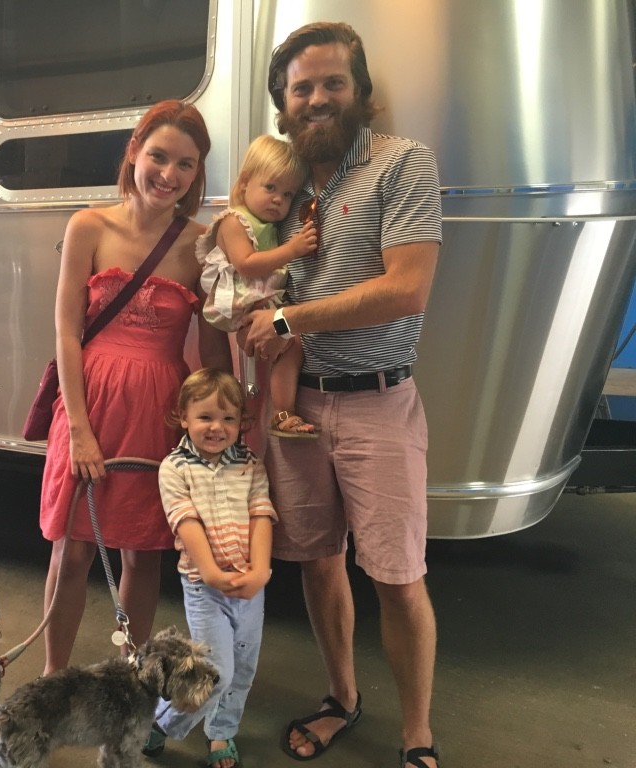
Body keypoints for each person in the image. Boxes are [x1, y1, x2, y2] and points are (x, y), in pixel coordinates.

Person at [240, 22, 443, 768]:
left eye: (333, 83)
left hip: (377, 403)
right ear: (283, 102)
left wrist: (287, 319)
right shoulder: (284, 184)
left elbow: (406, 288)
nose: (318, 98)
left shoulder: (402, 164)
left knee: (398, 577)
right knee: (318, 561)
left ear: (361, 91)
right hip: (294, 406)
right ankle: (341, 698)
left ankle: (417, 734)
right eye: (302, 88)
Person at [39, 100, 231, 676]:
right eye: (159, 157)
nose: (169, 175)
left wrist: (227, 427)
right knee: (73, 548)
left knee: (144, 553)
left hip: (159, 412)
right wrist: (79, 429)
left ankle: (130, 680)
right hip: (89, 403)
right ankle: (53, 676)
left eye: (186, 164)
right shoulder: (88, 226)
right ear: (133, 152)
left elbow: (214, 350)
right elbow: (66, 331)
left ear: (197, 173)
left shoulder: (201, 244)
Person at [143, 368, 276, 768]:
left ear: (241, 422)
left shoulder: (251, 464)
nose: (217, 427)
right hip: (206, 587)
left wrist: (261, 572)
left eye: (228, 418)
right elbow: (186, 522)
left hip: (251, 587)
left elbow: (262, 515)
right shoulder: (174, 468)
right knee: (215, 672)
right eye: (205, 417)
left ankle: (222, 733)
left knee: (243, 669)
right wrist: (213, 574)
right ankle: (162, 722)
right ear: (183, 417)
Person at [196, 134, 318, 438]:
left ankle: (278, 412)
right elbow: (246, 264)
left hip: (260, 302)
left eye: (288, 194)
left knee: (291, 346)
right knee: (290, 343)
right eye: (271, 188)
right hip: (242, 304)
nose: (278, 200)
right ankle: (281, 412)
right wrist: (292, 250)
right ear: (245, 182)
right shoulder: (234, 221)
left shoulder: (269, 225)